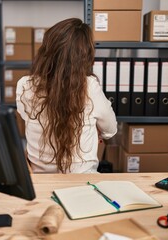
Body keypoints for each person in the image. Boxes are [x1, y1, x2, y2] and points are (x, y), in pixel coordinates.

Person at [16, 18, 117, 173]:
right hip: (82, 180)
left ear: (46, 50)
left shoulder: (25, 85)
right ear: (85, 55)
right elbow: (110, 130)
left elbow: (26, 118)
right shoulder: (89, 87)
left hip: (39, 180)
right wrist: (92, 129)